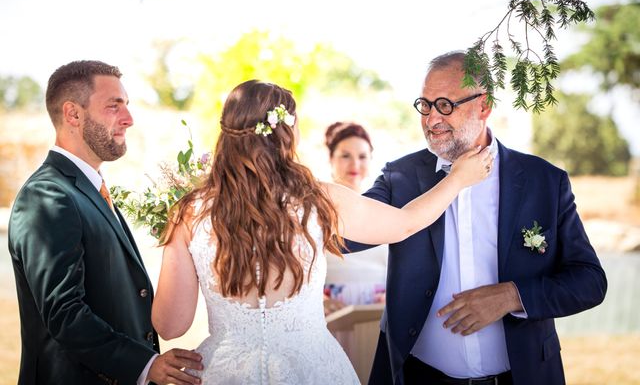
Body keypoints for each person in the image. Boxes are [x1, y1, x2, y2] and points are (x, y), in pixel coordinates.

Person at [151, 79, 493, 384]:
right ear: (287, 133)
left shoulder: (189, 213)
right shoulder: (317, 198)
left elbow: (170, 326)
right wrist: (458, 179)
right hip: (312, 368)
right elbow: (404, 224)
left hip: (221, 372)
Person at [352, 51, 607, 385]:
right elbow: (346, 237)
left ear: (483, 106)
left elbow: (589, 281)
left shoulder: (544, 181)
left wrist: (511, 296)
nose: (431, 119)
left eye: (445, 105)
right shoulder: (399, 178)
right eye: (425, 105)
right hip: (418, 377)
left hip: (523, 376)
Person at [8, 60, 202, 385]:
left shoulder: (89, 189)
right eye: (114, 106)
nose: (129, 119)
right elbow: (65, 313)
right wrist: (144, 365)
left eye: (126, 105)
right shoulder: (46, 196)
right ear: (73, 114)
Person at [323, 122, 387, 308]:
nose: (355, 165)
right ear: (330, 158)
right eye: (345, 156)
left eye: (362, 157)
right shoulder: (316, 208)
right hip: (329, 311)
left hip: (377, 311)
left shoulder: (381, 208)